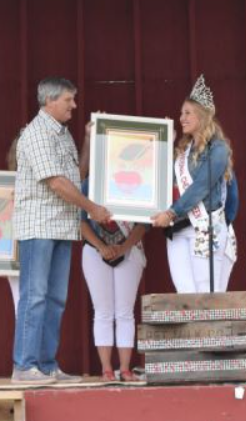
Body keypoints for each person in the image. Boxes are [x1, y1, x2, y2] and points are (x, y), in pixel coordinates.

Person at [12, 77, 112, 384]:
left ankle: (46, 365)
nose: (74, 105)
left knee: (55, 299)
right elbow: (56, 182)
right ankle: (24, 366)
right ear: (49, 100)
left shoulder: (63, 133)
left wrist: (87, 141)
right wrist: (92, 208)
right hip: (39, 226)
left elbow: (75, 176)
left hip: (61, 227)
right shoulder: (37, 133)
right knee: (34, 296)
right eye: (69, 99)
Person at [151, 75, 238, 293]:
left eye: (187, 113)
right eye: (181, 113)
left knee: (206, 294)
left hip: (205, 227)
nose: (181, 118)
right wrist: (165, 144)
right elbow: (162, 181)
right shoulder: (181, 151)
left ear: (202, 115)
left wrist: (171, 213)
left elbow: (201, 187)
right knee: (185, 294)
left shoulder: (218, 149)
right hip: (178, 230)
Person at [78, 120, 146, 382]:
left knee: (125, 311)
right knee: (103, 311)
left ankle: (125, 369)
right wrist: (102, 246)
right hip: (95, 250)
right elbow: (80, 221)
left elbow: (143, 224)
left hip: (129, 249)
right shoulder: (89, 184)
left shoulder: (140, 183)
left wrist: (123, 247)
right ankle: (107, 369)